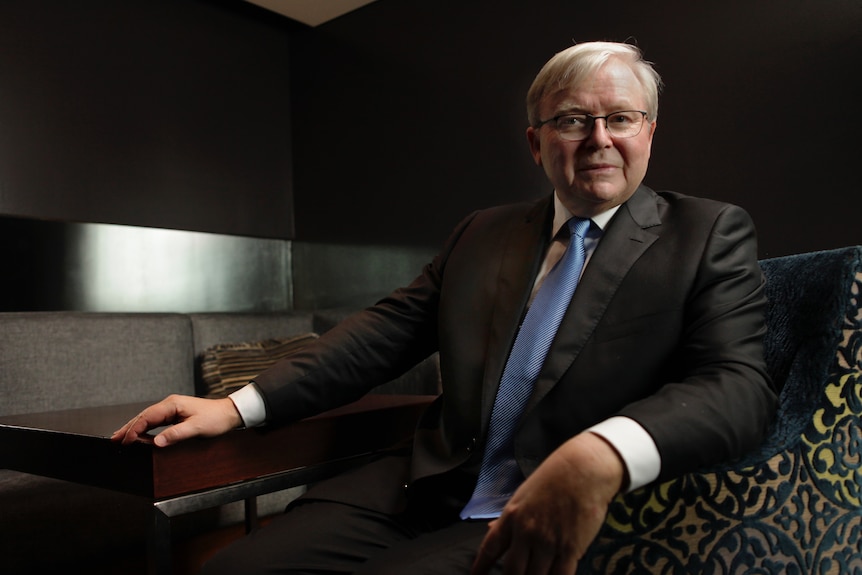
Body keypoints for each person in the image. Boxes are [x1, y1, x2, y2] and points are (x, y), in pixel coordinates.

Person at [113, 41, 777, 574]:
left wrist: (601, 452)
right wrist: (236, 406)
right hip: (424, 484)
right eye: (572, 119)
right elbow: (377, 336)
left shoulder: (706, 233)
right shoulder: (481, 233)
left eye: (621, 118)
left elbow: (739, 387)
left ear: (649, 132)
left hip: (553, 506)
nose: (598, 138)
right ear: (535, 142)